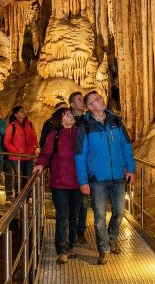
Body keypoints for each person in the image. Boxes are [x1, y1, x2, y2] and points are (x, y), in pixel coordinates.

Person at [75, 91, 135, 265]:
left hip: (118, 177)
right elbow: (80, 156)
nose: (101, 100)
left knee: (119, 212)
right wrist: (83, 180)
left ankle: (112, 237)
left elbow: (126, 146)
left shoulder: (116, 121)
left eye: (100, 97)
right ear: (90, 107)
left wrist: (130, 168)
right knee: (100, 217)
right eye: (96, 100)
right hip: (97, 179)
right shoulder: (85, 126)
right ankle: (104, 249)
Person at [34, 107, 82, 265]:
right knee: (63, 216)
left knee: (74, 215)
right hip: (60, 183)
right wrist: (40, 164)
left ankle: (71, 243)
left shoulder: (80, 134)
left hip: (77, 182)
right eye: (67, 114)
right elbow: (46, 153)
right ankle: (62, 250)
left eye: (70, 113)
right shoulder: (54, 136)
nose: (71, 115)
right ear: (61, 120)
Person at [69, 91, 90, 243]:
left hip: (85, 166)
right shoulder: (66, 119)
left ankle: (80, 231)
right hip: (70, 166)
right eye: (79, 100)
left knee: (83, 201)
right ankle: (71, 231)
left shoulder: (89, 119)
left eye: (83, 100)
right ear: (72, 104)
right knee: (71, 201)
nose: (82, 102)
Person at [4, 105, 38, 194]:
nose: (24, 113)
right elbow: (7, 142)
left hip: (28, 156)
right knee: (19, 176)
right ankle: (18, 195)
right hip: (16, 157)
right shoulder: (12, 126)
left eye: (24, 111)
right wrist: (17, 152)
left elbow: (34, 137)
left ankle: (27, 195)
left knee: (29, 176)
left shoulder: (29, 124)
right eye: (21, 111)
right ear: (15, 115)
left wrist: (33, 148)